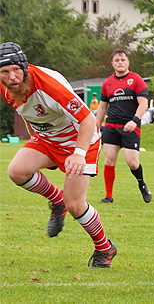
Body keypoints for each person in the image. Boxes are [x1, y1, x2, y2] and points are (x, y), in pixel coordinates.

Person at [0, 42, 117, 267]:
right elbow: (25, 110)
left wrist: (79, 154)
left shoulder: (48, 85)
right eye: (5, 72)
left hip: (80, 140)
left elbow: (87, 120)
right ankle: (56, 200)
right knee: (16, 171)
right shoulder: (5, 86)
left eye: (15, 69)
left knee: (75, 205)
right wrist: (34, 136)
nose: (11, 76)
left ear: (24, 67)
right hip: (48, 139)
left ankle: (105, 248)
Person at [96, 49, 151, 204]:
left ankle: (142, 184)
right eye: (117, 60)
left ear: (128, 62)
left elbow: (144, 103)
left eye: (123, 60)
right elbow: (102, 107)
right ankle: (109, 196)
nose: (120, 62)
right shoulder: (108, 82)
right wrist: (96, 126)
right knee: (109, 160)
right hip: (111, 126)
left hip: (130, 126)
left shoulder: (136, 79)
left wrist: (134, 120)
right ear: (112, 64)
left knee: (132, 162)